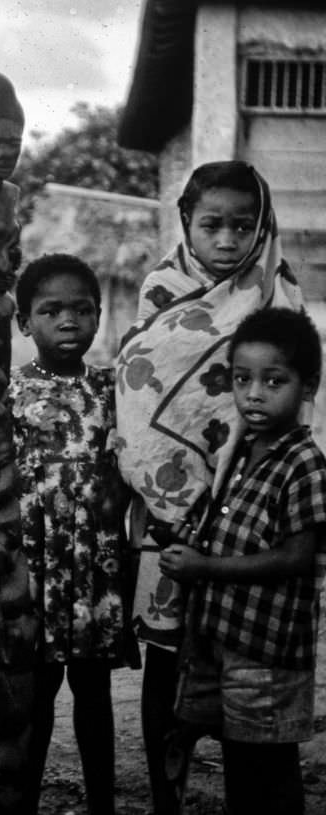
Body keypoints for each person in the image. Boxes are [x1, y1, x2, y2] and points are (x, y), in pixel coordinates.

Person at [114, 161, 304, 815]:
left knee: (247, 663)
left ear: (262, 227)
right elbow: (139, 393)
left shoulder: (280, 297)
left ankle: (254, 792)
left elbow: (294, 402)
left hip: (253, 515)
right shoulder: (161, 291)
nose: (227, 239)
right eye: (212, 224)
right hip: (170, 519)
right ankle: (168, 795)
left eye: (242, 225)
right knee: (167, 661)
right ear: (186, 225)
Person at [159, 306, 326, 815]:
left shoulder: (304, 463)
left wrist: (205, 568)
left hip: (269, 650)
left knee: (269, 768)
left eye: (273, 380)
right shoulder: (243, 447)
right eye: (242, 379)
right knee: (241, 759)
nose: (253, 393)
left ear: (308, 386)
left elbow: (297, 557)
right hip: (226, 638)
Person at [10, 253, 139, 815]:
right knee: (35, 695)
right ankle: (25, 802)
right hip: (35, 564)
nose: (68, 321)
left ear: (99, 316)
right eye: (51, 310)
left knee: (93, 692)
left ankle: (103, 804)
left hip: (93, 567)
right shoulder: (9, 394)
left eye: (82, 310)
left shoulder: (114, 390)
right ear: (24, 323)